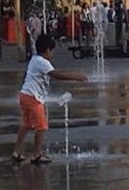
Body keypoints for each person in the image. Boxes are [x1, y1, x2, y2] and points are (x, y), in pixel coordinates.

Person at [12, 32, 86, 165]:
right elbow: (56, 75)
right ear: (47, 50)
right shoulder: (42, 62)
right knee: (41, 126)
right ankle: (37, 155)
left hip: (25, 95)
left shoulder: (34, 59)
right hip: (33, 98)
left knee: (26, 125)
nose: (52, 54)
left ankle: (16, 152)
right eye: (52, 51)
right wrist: (75, 76)